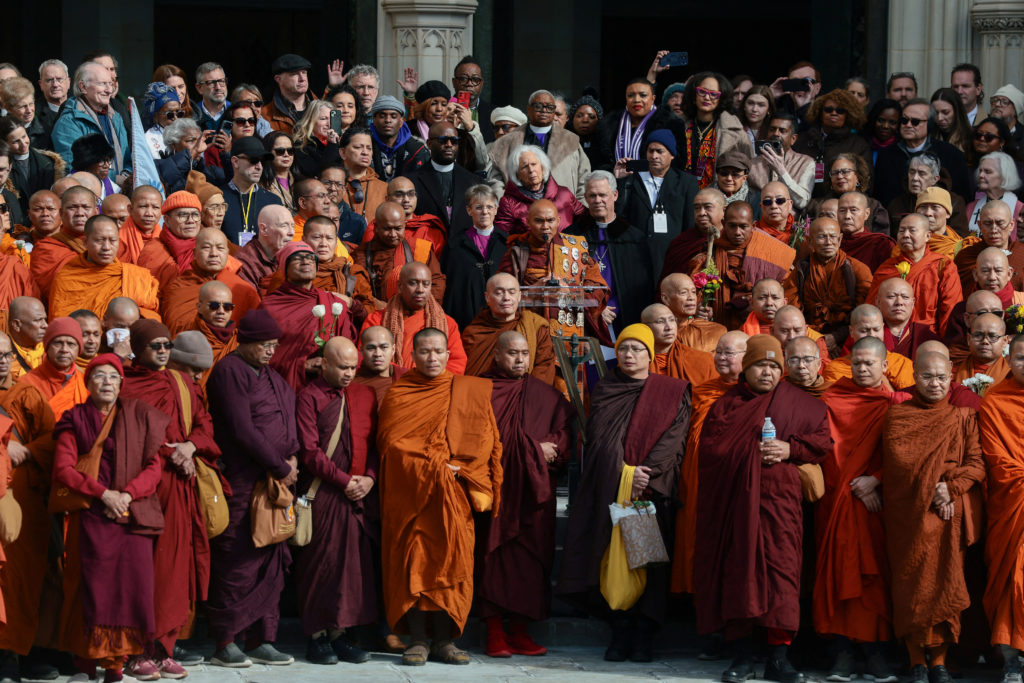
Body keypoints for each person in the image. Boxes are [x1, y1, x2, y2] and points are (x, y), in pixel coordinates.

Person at [696, 334, 831, 683]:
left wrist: (790, 449)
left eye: (774, 366)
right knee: (740, 573)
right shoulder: (727, 406)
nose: (768, 373)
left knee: (783, 577)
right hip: (737, 505)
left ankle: (778, 657)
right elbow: (711, 452)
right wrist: (746, 454)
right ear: (746, 368)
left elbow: (821, 441)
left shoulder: (798, 403)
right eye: (760, 365)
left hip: (780, 507)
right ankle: (742, 657)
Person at [558, 324, 690, 662]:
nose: (629, 356)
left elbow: (674, 438)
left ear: (650, 354)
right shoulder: (607, 389)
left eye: (637, 349)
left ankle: (644, 635)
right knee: (611, 559)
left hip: (648, 494)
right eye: (624, 348)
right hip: (614, 489)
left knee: (645, 561)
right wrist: (626, 474)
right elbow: (601, 440)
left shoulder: (671, 391)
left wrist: (647, 473)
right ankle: (619, 633)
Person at [376, 327, 502, 666]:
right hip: (412, 498)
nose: (432, 358)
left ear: (449, 355)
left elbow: (484, 441)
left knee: (453, 562)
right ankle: (417, 639)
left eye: (438, 352)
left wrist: (460, 469)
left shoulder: (468, 390)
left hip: (453, 495)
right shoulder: (399, 393)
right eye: (424, 352)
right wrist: (433, 464)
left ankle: (446, 640)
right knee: (414, 563)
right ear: (411, 356)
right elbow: (390, 445)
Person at [51, 353, 166, 682]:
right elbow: (63, 469)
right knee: (91, 590)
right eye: (98, 376)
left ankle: (117, 663)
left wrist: (127, 494)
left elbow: (154, 466)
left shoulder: (137, 415)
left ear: (121, 384)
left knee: (132, 590)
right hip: (93, 516)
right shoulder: (76, 418)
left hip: (131, 516)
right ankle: (87, 663)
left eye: (113, 377)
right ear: (87, 383)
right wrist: (104, 494)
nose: (106, 382)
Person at [118, 319, 222, 679]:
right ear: (137, 349)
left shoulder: (180, 383)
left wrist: (191, 447)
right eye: (155, 346)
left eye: (166, 346)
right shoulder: (125, 385)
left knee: (172, 570)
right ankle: (134, 653)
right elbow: (120, 438)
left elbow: (204, 426)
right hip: (141, 489)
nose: (163, 352)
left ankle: (163, 649)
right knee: (140, 571)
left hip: (177, 490)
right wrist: (168, 452)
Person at [881, 350, 985, 683]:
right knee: (911, 585)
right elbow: (900, 466)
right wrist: (936, 489)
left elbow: (977, 465)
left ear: (951, 377)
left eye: (942, 377)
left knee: (946, 582)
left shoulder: (964, 417)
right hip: (909, 517)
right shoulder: (898, 417)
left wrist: (950, 489)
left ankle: (939, 660)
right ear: (915, 378)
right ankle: (915, 660)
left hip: (947, 518)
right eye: (928, 377)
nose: (935, 383)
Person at [206, 310, 299, 667]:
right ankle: (226, 641)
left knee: (272, 557)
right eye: (263, 345)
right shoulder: (230, 372)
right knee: (238, 558)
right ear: (244, 342)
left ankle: (264, 638)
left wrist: (293, 461)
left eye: (274, 346)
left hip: (278, 480)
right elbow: (243, 430)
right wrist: (279, 465)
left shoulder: (271, 376)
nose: (269, 352)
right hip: (245, 479)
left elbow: (284, 423)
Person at [0, 318, 87, 681]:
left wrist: (35, 449)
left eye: (71, 344)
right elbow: (11, 443)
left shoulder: (90, 383)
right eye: (57, 344)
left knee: (64, 574)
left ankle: (53, 649)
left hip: (76, 489)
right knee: (24, 575)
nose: (64, 351)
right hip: (32, 491)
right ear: (45, 347)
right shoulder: (26, 387)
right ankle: (14, 655)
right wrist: (32, 450)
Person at [478, 331, 572, 658]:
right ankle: (493, 632)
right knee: (492, 558)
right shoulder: (481, 391)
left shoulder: (546, 396)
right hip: (497, 491)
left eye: (524, 353)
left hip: (535, 493)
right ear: (498, 355)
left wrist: (550, 449)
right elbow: (475, 440)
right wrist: (533, 449)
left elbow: (562, 439)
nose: (520, 360)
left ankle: (520, 631)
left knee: (531, 563)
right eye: (513, 353)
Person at [815, 336, 900, 682]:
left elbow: (904, 453)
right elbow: (824, 449)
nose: (862, 369)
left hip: (878, 504)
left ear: (884, 365)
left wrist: (875, 479)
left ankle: (875, 651)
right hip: (837, 499)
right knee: (839, 573)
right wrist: (855, 486)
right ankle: (842, 653)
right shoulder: (831, 399)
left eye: (869, 363)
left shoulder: (897, 404)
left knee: (873, 576)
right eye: (857, 364)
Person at [294, 337, 378, 665]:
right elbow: (309, 452)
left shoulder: (360, 395)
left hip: (356, 492)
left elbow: (372, 440)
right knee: (319, 566)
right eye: (341, 367)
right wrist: (345, 482)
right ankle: (316, 637)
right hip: (323, 493)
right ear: (324, 364)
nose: (348, 374)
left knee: (349, 569)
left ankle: (340, 634)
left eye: (352, 367)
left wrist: (369, 478)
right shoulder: (309, 397)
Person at [669, 330, 747, 598]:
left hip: (732, 482)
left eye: (729, 353)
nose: (721, 358)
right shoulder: (701, 392)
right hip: (696, 477)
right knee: (694, 533)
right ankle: (694, 592)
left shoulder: (755, 396)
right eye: (719, 352)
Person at [499, 199, 613, 345]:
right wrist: (533, 290)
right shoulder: (517, 252)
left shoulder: (576, 248)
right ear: (528, 222)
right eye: (539, 221)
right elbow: (500, 295)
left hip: (571, 336)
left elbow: (599, 289)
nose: (545, 226)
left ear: (559, 221)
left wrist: (570, 292)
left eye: (550, 220)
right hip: (531, 334)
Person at [979, 335, 1024, 683]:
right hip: (1013, 501)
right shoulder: (994, 401)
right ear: (1007, 360)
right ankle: (1012, 657)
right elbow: (996, 460)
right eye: (1021, 358)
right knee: (1012, 577)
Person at [259, 242, 356, 391]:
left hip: (328, 388)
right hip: (283, 388)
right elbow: (258, 356)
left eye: (311, 258)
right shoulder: (270, 306)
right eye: (297, 258)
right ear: (285, 267)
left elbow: (347, 347)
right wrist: (301, 365)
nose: (306, 261)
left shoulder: (332, 303)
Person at [687, 201, 796, 329]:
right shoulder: (711, 251)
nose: (737, 232)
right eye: (732, 226)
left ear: (753, 225)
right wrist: (700, 307)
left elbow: (787, 293)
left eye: (743, 226)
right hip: (717, 325)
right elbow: (694, 292)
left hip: (761, 326)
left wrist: (757, 303)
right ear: (723, 224)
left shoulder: (772, 251)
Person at [572, 170, 656, 332]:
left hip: (623, 318)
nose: (597, 200)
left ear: (615, 195)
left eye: (603, 195)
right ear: (586, 198)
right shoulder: (573, 236)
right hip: (585, 321)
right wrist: (593, 308)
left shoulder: (634, 238)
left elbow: (640, 289)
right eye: (592, 196)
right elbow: (567, 285)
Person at [613, 130, 698, 278]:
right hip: (636, 255)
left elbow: (690, 223)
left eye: (660, 151)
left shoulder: (686, 182)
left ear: (671, 155)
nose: (654, 156)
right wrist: (619, 181)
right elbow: (618, 215)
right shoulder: (632, 179)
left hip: (671, 256)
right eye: (650, 151)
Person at [49, 214, 161, 320]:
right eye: (99, 240)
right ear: (85, 242)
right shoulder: (67, 277)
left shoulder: (133, 276)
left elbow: (151, 315)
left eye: (112, 240)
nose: (106, 247)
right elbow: (62, 323)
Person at [866, 213, 963, 335]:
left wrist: (945, 343)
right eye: (901, 231)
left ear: (928, 236)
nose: (905, 235)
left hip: (928, 336)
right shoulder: (887, 268)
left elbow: (950, 310)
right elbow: (872, 307)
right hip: (889, 335)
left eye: (912, 231)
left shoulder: (943, 266)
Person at [783, 217, 871, 351]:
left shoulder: (858, 270)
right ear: (810, 242)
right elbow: (792, 311)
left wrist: (837, 337)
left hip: (848, 340)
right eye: (822, 237)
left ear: (840, 239)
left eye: (833, 237)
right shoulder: (801, 271)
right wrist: (815, 338)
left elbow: (865, 314)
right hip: (808, 339)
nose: (828, 242)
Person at [361, 261, 466, 373]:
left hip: (432, 387)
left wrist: (429, 382)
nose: (420, 290)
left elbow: (457, 363)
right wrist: (404, 378)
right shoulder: (376, 320)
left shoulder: (448, 323)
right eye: (413, 283)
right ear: (400, 286)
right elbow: (367, 356)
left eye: (426, 284)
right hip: (389, 385)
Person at [488, 89, 591, 200]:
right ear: (528, 109)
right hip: (518, 212)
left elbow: (584, 180)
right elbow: (496, 179)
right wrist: (506, 206)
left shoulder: (570, 140)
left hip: (562, 211)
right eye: (538, 106)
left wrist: (579, 210)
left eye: (550, 108)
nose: (544, 111)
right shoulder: (508, 140)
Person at [161, 227, 260, 335]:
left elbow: (256, 334)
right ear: (194, 253)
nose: (214, 253)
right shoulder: (178, 287)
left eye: (220, 248)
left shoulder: (243, 289)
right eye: (206, 248)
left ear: (228, 253)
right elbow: (175, 330)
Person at [873, 98, 971, 207]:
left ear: (929, 124)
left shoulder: (951, 154)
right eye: (904, 120)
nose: (908, 125)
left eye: (915, 121)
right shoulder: (886, 155)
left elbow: (962, 197)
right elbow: (879, 196)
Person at [461, 272, 555, 384]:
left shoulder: (535, 326)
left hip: (524, 395)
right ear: (487, 297)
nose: (506, 298)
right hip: (483, 396)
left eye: (512, 292)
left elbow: (544, 368)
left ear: (519, 296)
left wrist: (527, 394)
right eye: (499, 293)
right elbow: (468, 376)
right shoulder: (474, 332)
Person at [351, 201, 443, 307]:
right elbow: (359, 291)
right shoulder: (361, 253)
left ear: (405, 225)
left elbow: (436, 282)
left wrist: (423, 310)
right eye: (387, 229)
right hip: (374, 313)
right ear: (376, 227)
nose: (393, 234)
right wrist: (378, 307)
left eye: (398, 228)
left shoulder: (419, 248)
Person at [441, 184, 509, 329]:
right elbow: (451, 287)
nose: (485, 212)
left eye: (489, 207)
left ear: (496, 210)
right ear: (469, 210)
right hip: (466, 316)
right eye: (478, 207)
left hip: (502, 316)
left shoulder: (507, 243)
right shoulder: (455, 245)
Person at [50, 61, 130, 183]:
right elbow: (74, 170)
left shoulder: (116, 117)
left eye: (110, 84)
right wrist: (116, 181)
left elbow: (129, 158)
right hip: (89, 194)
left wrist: (127, 177)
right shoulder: (69, 122)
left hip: (120, 194)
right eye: (102, 84)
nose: (109, 90)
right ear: (83, 87)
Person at [408, 121, 480, 239]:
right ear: (429, 144)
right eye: (443, 140)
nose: (449, 145)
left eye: (454, 141)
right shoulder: (412, 181)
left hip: (463, 249)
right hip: (426, 248)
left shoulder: (474, 182)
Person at [679, 71, 752, 188]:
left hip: (716, 197)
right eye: (702, 92)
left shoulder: (736, 131)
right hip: (680, 193)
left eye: (713, 94)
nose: (707, 97)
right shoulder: (678, 125)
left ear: (721, 98)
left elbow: (747, 171)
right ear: (694, 95)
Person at [494, 144, 585, 235]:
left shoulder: (564, 193)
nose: (531, 170)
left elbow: (586, 219)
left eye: (534, 164)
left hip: (567, 248)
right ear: (517, 175)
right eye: (524, 167)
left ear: (543, 167)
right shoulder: (508, 203)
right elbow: (501, 237)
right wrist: (518, 247)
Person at [821, 305, 916, 390]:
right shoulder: (835, 369)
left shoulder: (900, 363)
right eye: (864, 330)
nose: (871, 335)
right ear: (851, 331)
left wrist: (882, 381)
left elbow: (909, 403)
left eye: (876, 329)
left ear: (883, 329)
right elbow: (837, 404)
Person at [791, 88, 871, 188]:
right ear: (820, 112)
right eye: (828, 109)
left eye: (840, 111)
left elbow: (865, 182)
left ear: (848, 114)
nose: (834, 113)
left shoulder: (859, 145)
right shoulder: (803, 139)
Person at [30, 185, 96, 297]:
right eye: (72, 207)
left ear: (96, 211)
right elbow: (47, 290)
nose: (80, 213)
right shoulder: (46, 248)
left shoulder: (107, 244)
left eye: (86, 207)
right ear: (61, 213)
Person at [219, 136, 283, 244]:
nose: (259, 167)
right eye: (253, 160)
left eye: (262, 161)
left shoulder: (274, 202)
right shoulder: (217, 198)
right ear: (235, 162)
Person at [136, 190, 203, 291]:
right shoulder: (153, 251)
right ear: (167, 220)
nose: (190, 220)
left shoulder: (208, 247)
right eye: (183, 215)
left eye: (195, 215)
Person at [887, 155, 970, 237]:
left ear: (935, 179)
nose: (915, 178)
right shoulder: (896, 204)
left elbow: (959, 239)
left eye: (921, 173)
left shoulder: (954, 201)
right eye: (912, 172)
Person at [747, 114, 816, 210]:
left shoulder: (806, 163)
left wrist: (781, 170)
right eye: (772, 129)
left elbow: (802, 202)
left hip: (791, 222)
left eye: (782, 131)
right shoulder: (752, 164)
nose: (776, 134)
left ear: (793, 139)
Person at [955, 200, 1024, 296]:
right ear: (980, 225)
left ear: (1011, 225)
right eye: (988, 223)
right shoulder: (965, 256)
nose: (994, 230)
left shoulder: (1021, 253)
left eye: (1000, 223)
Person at [659, 186, 727, 281]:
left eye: (708, 207)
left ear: (724, 210)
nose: (701, 213)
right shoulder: (681, 242)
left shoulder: (731, 239)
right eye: (697, 208)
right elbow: (667, 282)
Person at [0, 117, 63, 217]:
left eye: (24, 136)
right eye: (15, 141)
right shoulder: (3, 170)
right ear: (5, 143)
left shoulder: (48, 163)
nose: (23, 143)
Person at [643, 303, 716, 384]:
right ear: (646, 327)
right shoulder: (637, 361)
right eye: (660, 322)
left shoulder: (703, 360)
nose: (669, 327)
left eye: (672, 320)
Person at [822, 153, 891, 235]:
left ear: (858, 177)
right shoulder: (817, 205)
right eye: (835, 173)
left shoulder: (874, 206)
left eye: (845, 172)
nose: (839, 176)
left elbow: (881, 240)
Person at [187, 281, 239, 389]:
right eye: (214, 306)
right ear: (199, 307)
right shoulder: (187, 342)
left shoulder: (239, 341)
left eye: (227, 307)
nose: (221, 311)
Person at [235, 204, 294, 296]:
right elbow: (249, 302)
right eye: (284, 226)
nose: (292, 233)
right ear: (264, 229)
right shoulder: (245, 262)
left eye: (293, 226)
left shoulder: (289, 256)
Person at [660, 272, 727, 353]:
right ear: (666, 299)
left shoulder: (716, 331)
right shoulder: (658, 333)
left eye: (693, 292)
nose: (691, 298)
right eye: (683, 292)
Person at [367, 96, 428, 182]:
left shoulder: (417, 149)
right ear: (374, 120)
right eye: (382, 116)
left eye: (393, 116)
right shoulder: (364, 146)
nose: (388, 120)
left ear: (401, 122)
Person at [876, 276, 940, 358]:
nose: (899, 302)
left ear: (913, 303)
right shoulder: (867, 333)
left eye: (905, 297)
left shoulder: (926, 337)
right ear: (878, 301)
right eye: (891, 296)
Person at [837, 191, 897, 272]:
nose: (847, 216)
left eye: (853, 210)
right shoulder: (831, 242)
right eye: (842, 210)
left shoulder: (881, 244)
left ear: (866, 213)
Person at [338, 126, 388, 221]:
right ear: (342, 153)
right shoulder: (333, 185)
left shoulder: (384, 188)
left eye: (369, 148)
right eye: (358, 147)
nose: (365, 152)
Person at [967, 151, 1023, 232]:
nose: (981, 175)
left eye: (988, 171)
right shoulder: (971, 208)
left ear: (1004, 176)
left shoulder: (1020, 209)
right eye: (980, 171)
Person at [261, 54, 314, 134]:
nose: (302, 79)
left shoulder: (321, 105)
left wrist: (334, 89)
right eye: (294, 74)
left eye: (304, 72)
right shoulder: (266, 116)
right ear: (278, 79)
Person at [954, 313, 1009, 389]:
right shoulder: (952, 371)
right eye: (978, 335)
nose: (985, 341)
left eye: (992, 336)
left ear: (1005, 341)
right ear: (968, 339)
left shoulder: (1013, 373)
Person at [353, 326, 406, 405]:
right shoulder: (352, 384)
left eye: (384, 347)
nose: (378, 354)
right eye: (371, 348)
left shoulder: (407, 378)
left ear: (393, 349)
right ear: (362, 351)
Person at [290, 101, 340, 181]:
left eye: (332, 119)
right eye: (323, 119)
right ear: (310, 121)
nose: (329, 123)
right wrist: (332, 145)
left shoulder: (338, 144)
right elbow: (318, 173)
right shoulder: (301, 146)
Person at [141, 81, 182, 159]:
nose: (176, 118)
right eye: (169, 114)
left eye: (179, 113)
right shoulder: (146, 140)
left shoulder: (187, 133)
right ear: (155, 116)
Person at [259, 130, 296, 212]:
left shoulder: (300, 181)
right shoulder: (259, 185)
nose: (286, 154)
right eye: (280, 151)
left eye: (290, 151)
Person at [931, 88, 973, 155]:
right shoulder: (927, 135)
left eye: (945, 112)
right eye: (935, 113)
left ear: (957, 111)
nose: (939, 118)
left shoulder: (971, 138)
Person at [567, 94, 603, 169]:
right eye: (579, 116)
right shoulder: (563, 143)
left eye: (591, 117)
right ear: (572, 119)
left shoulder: (605, 147)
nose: (585, 120)